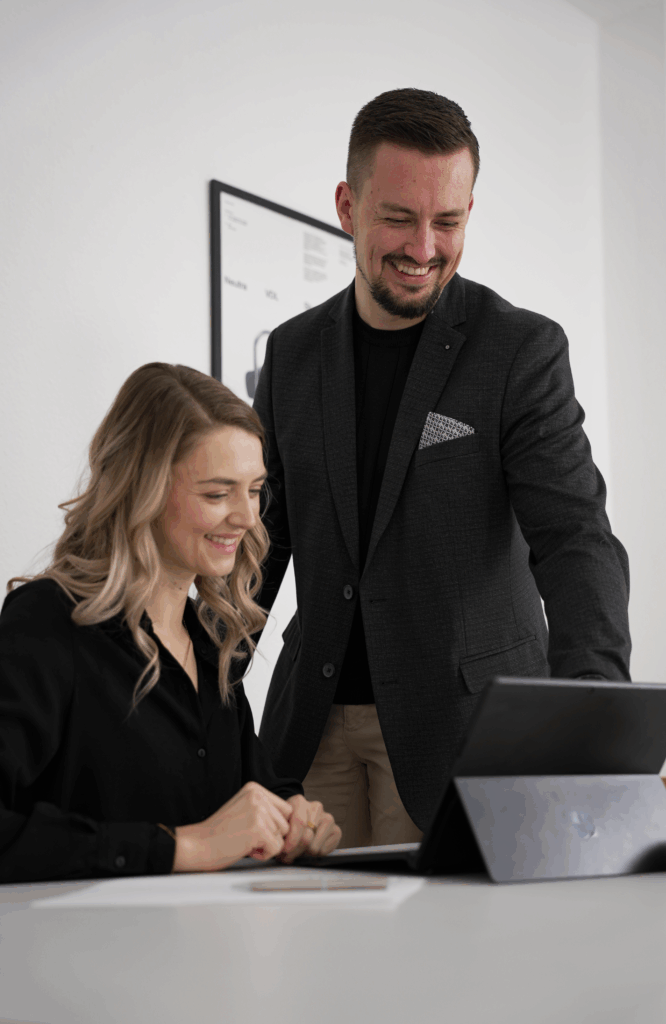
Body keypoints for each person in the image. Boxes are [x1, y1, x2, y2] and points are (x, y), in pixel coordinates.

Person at [253, 87, 631, 849]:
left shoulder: (519, 351)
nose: (423, 248)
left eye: (448, 222)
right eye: (398, 217)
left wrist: (591, 709)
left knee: (447, 965)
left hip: (456, 731)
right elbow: (264, 542)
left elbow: (574, 537)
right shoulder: (291, 354)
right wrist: (193, 680)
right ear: (347, 206)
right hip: (308, 732)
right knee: (310, 959)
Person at [0, 363, 341, 883]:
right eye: (216, 494)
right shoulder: (47, 623)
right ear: (143, 490)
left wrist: (295, 815)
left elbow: (258, 788)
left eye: (254, 490)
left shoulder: (210, 645)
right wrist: (183, 847)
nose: (248, 518)